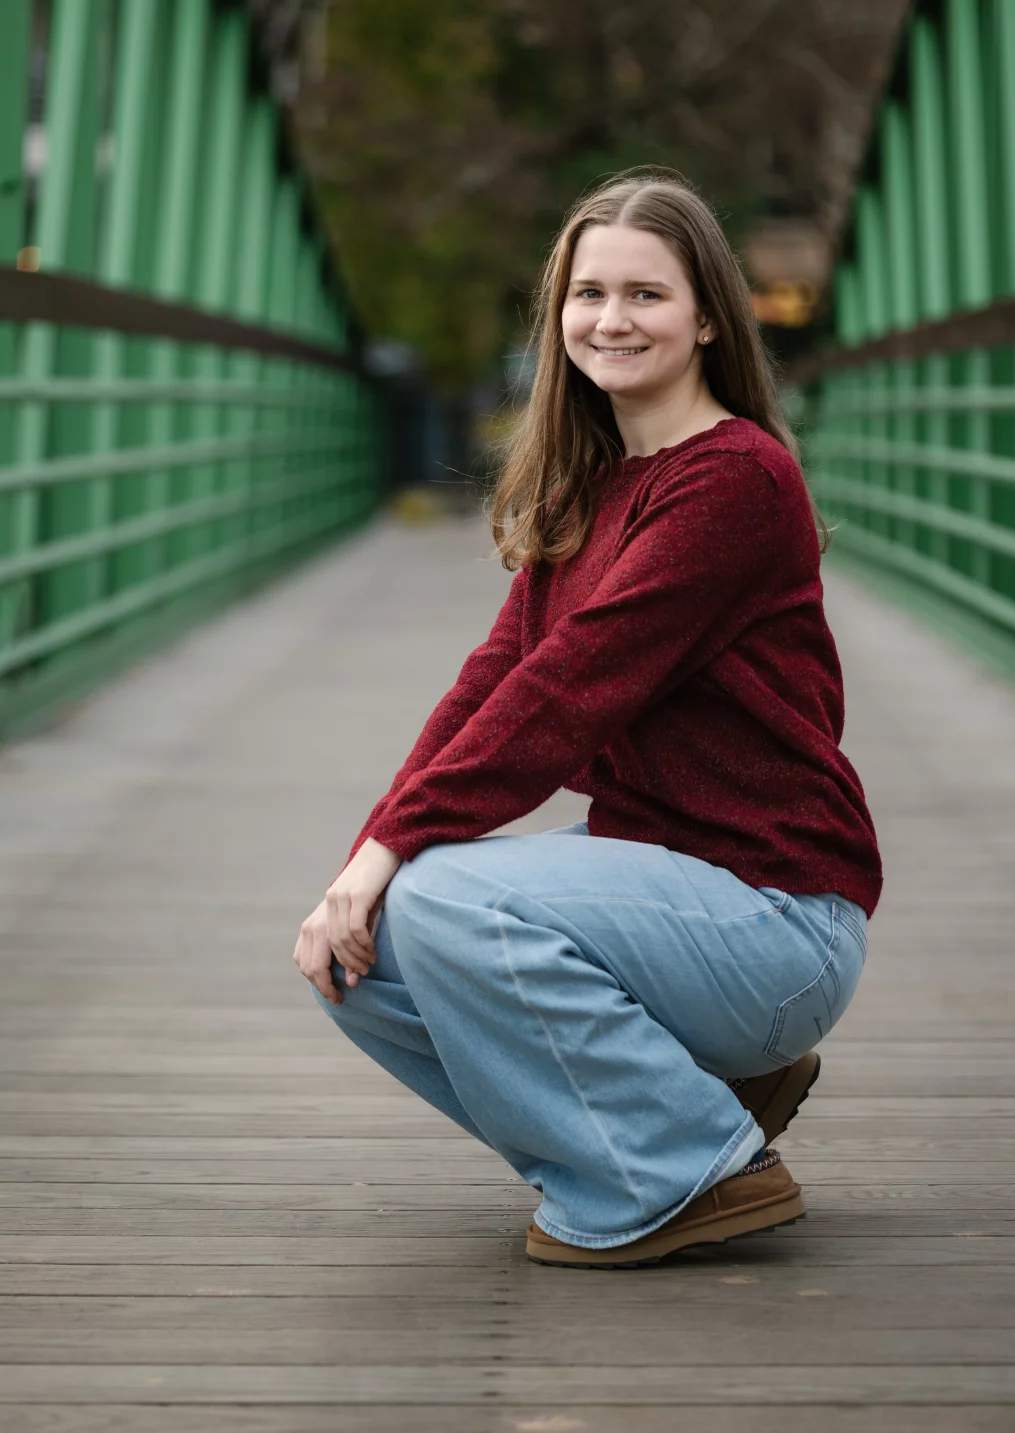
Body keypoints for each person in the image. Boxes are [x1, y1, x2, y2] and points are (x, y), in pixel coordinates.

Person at [292, 169, 883, 1269]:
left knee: (444, 898)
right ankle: (679, 1103)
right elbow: (495, 680)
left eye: (646, 294)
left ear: (708, 314)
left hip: (776, 907)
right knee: (361, 955)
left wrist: (389, 857)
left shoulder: (735, 482)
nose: (610, 319)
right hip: (669, 888)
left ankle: (682, 1167)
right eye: (587, 292)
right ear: (556, 312)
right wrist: (358, 866)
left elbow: (564, 692)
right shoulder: (593, 485)